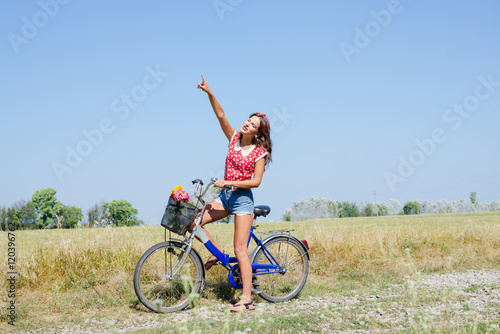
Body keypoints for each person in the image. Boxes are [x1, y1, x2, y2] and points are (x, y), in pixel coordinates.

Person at [194, 74, 273, 312]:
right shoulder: (233, 139)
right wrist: (210, 93)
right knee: (193, 221)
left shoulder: (259, 152)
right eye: (247, 120)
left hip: (242, 203)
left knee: (240, 250)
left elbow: (256, 182)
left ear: (258, 133)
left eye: (252, 124)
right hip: (225, 198)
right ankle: (218, 254)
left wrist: (228, 181)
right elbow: (221, 115)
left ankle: (247, 299)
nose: (247, 123)